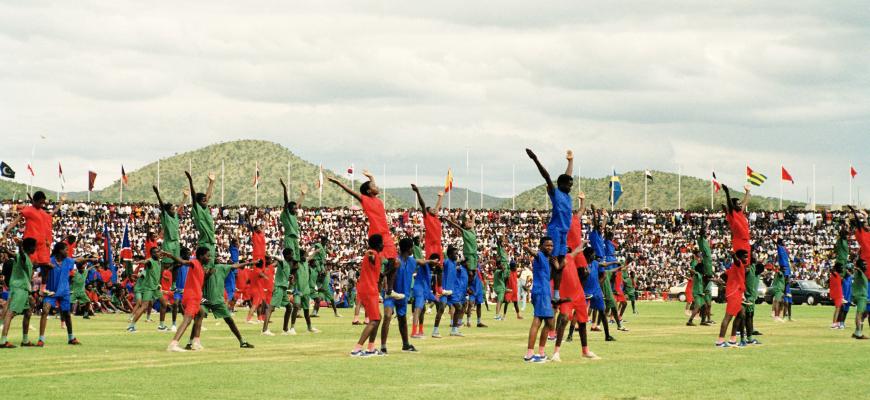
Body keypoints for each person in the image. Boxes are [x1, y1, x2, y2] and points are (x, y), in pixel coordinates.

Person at [328, 171, 402, 300]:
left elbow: (372, 186)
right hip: (376, 234)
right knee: (377, 264)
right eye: (373, 186)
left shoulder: (377, 199)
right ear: (368, 191)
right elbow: (351, 192)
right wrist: (339, 183)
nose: (376, 186)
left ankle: (389, 291)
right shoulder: (365, 199)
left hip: (386, 234)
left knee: (395, 262)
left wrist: (371, 177)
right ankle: (375, 291)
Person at [382, 238, 437, 353]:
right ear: (409, 248)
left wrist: (430, 261)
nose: (413, 249)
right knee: (387, 316)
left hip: (403, 295)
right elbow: (386, 274)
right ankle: (383, 347)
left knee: (402, 320)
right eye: (412, 247)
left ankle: (406, 345)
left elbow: (421, 261)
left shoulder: (411, 261)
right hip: (391, 294)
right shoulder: (395, 260)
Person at [1, 191, 60, 296]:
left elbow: (51, 212)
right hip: (30, 244)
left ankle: (42, 289)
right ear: (35, 201)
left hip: (43, 244)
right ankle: (26, 286)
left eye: (43, 203)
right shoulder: (28, 210)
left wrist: (61, 203)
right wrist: (5, 233)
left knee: (46, 267)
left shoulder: (42, 212)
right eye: (40, 202)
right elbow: (15, 222)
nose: (42, 205)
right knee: (31, 265)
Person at [38, 242, 97, 346]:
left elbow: (78, 260)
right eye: (66, 250)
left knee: (67, 315)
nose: (67, 251)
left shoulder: (68, 261)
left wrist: (89, 259)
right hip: (51, 291)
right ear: (60, 251)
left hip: (64, 292)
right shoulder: (49, 261)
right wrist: (43, 288)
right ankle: (41, 339)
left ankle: (71, 338)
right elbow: (42, 272)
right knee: (45, 311)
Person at [552, 244, 599, 362]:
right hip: (566, 296)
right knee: (564, 320)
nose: (567, 250)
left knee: (582, 322)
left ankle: (585, 351)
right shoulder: (555, 261)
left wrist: (582, 244)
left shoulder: (569, 257)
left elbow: (577, 250)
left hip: (578, 294)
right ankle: (556, 352)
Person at [522, 237, 559, 363]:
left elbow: (550, 276)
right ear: (541, 246)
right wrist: (528, 249)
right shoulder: (540, 256)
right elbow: (535, 253)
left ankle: (541, 353)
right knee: (539, 321)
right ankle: (529, 354)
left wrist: (555, 265)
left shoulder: (548, 260)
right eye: (547, 245)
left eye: (551, 245)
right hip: (541, 292)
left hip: (544, 292)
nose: (550, 247)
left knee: (547, 322)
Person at [351, 234, 385, 357]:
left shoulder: (376, 255)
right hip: (369, 290)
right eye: (382, 243)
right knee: (375, 319)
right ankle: (356, 349)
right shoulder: (372, 253)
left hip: (370, 289)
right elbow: (370, 255)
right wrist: (371, 255)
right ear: (378, 244)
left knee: (378, 317)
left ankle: (371, 348)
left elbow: (379, 273)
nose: (383, 245)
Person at [0, 238, 37, 348]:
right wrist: (20, 246)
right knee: (10, 313)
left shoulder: (24, 257)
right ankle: (3, 341)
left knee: (28, 311)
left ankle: (25, 340)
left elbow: (13, 254)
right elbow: (20, 254)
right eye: (34, 246)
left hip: (23, 289)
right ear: (29, 247)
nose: (35, 248)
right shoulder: (23, 256)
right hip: (19, 288)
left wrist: (5, 249)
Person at [127, 248, 170, 333]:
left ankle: (161, 326)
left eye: (158, 252)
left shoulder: (159, 261)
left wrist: (164, 252)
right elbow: (145, 261)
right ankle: (131, 326)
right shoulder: (150, 261)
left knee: (164, 304)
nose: (158, 253)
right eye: (156, 252)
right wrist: (137, 262)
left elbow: (167, 255)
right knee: (144, 306)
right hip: (149, 288)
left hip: (155, 287)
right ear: (152, 254)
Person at [715, 250, 749, 348]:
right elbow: (737, 261)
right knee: (728, 317)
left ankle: (732, 340)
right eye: (744, 257)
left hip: (736, 292)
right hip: (734, 293)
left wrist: (729, 283)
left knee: (741, 313)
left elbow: (723, 275)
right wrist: (734, 255)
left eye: (747, 256)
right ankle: (720, 341)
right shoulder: (738, 264)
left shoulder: (734, 268)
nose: (746, 259)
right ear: (739, 257)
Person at [263, 251, 293, 336]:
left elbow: (284, 274)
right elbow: (278, 260)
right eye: (291, 254)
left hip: (283, 289)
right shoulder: (283, 262)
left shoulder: (286, 264)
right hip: (279, 288)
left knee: (289, 307)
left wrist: (289, 277)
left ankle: (285, 329)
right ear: (286, 255)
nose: (292, 255)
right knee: (271, 308)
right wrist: (273, 256)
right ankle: (264, 330)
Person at [830, 263, 845, 329]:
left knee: (840, 307)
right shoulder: (835, 274)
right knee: (838, 308)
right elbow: (832, 271)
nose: (842, 269)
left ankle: (838, 323)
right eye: (841, 268)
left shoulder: (836, 275)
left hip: (838, 294)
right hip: (837, 294)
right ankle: (834, 324)